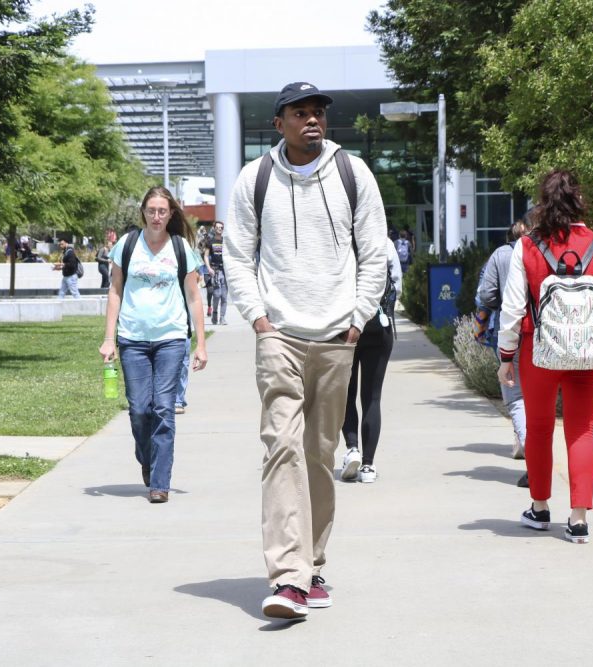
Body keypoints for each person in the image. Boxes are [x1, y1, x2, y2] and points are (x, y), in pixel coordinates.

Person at [225, 81, 387, 620]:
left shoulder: (352, 172)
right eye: (300, 113)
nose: (312, 120)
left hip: (337, 337)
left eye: (318, 112)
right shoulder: (256, 178)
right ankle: (288, 578)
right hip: (280, 340)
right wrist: (260, 320)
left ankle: (314, 562)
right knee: (281, 449)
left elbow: (375, 253)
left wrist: (358, 322)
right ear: (279, 123)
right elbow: (238, 257)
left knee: (318, 456)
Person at [497, 169, 593, 544]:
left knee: (538, 429)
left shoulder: (527, 247)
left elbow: (512, 306)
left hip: (539, 353)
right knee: (582, 430)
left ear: (542, 203)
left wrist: (507, 354)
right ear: (579, 200)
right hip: (589, 353)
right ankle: (579, 519)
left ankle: (539, 509)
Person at [99, 186, 207, 504]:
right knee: (139, 411)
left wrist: (200, 343)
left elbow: (194, 297)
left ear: (171, 213)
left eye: (162, 211)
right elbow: (115, 291)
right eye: (151, 211)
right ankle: (148, 460)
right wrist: (109, 339)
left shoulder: (181, 248)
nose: (157, 216)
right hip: (132, 339)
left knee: (163, 408)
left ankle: (159, 482)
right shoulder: (127, 245)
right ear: (143, 213)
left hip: (171, 338)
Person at [476, 215, 533, 488]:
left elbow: (486, 295)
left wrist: (484, 319)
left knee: (515, 395)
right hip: (545, 334)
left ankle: (531, 452)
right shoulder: (544, 250)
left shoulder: (500, 256)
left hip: (511, 331)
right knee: (538, 397)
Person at [340, 235, 402, 484]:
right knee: (372, 397)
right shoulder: (384, 243)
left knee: (346, 393)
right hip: (379, 324)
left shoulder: (341, 242)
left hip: (345, 327)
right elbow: (397, 282)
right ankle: (368, 465)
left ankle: (352, 447)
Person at [204, 221, 227, 325]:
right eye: (218, 227)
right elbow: (205, 256)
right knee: (217, 294)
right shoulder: (210, 241)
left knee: (224, 296)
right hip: (215, 271)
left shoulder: (225, 241)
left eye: (221, 227)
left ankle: (222, 317)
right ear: (214, 228)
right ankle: (214, 313)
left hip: (225, 271)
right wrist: (209, 268)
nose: (220, 229)